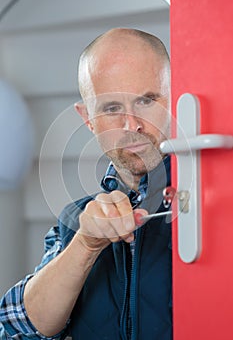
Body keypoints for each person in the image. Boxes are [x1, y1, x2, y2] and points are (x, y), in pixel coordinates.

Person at [0, 28, 172, 339]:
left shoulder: (208, 205)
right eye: (111, 108)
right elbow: (19, 328)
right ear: (88, 119)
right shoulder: (73, 222)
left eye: (147, 100)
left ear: (175, 99)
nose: (131, 124)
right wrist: (85, 245)